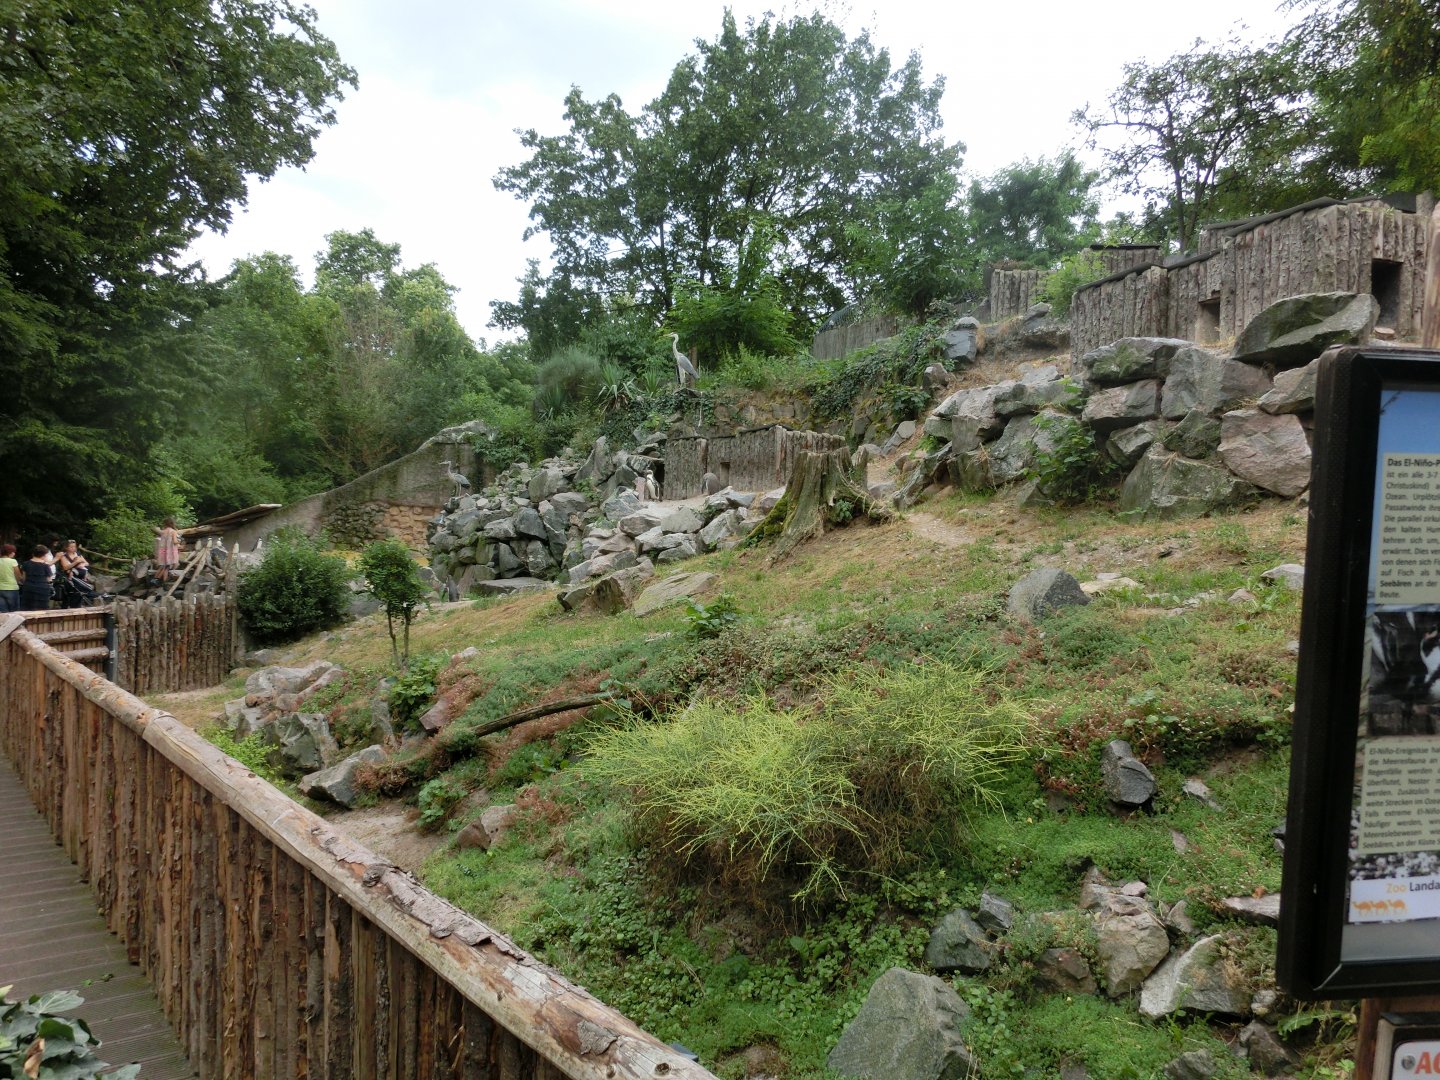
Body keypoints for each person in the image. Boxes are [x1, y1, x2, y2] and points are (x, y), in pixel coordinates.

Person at [17, 545, 55, 611]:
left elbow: (24, 578)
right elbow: (49, 579)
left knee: (27, 608)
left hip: (29, 588)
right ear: (44, 555)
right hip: (42, 589)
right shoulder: (45, 566)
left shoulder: (26, 564)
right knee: (41, 609)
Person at [0, 543, 18, 613]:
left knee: (3, 612)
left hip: (0, 588)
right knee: (14, 612)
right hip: (12, 588)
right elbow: (18, 575)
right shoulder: (13, 561)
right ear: (11, 553)